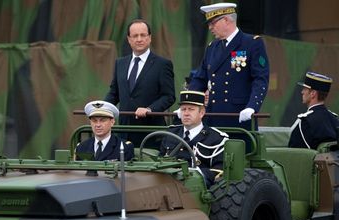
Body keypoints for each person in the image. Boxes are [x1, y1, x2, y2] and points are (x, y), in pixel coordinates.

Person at [188, 2, 269, 131]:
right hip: (212, 116)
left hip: (238, 116)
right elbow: (200, 79)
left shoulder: (251, 43)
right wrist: (188, 102)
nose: (210, 28)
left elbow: (260, 79)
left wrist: (252, 106)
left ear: (226, 20)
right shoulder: (212, 47)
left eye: (212, 23)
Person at [104, 19, 176, 146]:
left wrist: (149, 109)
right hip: (124, 132)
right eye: (135, 36)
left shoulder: (162, 64)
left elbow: (169, 96)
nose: (139, 39)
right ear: (129, 39)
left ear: (149, 38)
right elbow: (114, 93)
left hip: (150, 134)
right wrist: (102, 109)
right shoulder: (120, 63)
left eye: (143, 35)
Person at [160, 91, 228, 187]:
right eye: (183, 109)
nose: (186, 113)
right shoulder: (171, 134)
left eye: (191, 109)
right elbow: (160, 160)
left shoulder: (216, 138)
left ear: (202, 113)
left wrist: (195, 175)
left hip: (197, 189)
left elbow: (220, 169)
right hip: (167, 184)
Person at [288, 71, 339, 149]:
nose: (302, 92)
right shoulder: (335, 120)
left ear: (313, 94)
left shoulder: (305, 122)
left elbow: (293, 153)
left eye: (305, 89)